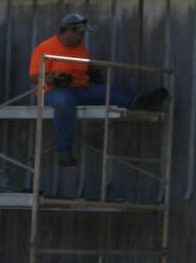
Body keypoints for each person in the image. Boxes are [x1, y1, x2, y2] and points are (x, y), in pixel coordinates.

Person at [28, 13, 168, 166]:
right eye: (80, 33)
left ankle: (138, 102)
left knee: (105, 91)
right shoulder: (45, 47)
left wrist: (93, 72)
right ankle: (63, 151)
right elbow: (33, 77)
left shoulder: (80, 48)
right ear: (69, 30)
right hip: (53, 92)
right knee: (64, 101)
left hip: (80, 89)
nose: (82, 37)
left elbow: (86, 67)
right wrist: (53, 79)